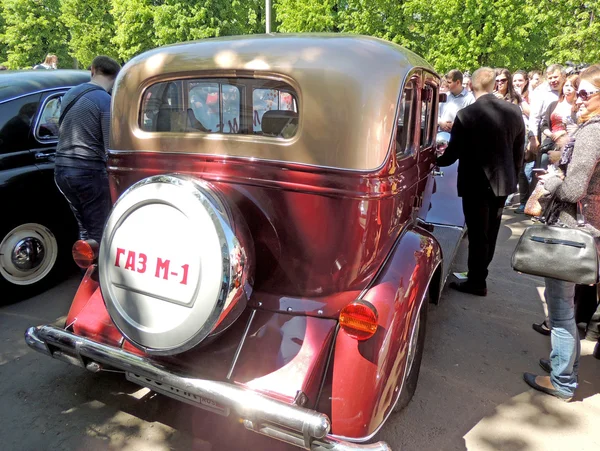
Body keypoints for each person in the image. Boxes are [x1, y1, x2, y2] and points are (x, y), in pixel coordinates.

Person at [523, 64, 600, 401]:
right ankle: (561, 364)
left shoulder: (592, 132)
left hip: (572, 231)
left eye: (586, 93)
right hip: (586, 229)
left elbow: (572, 190)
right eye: (577, 91)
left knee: (560, 308)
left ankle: (563, 379)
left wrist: (551, 179)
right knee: (564, 306)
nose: (577, 99)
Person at [437, 67, 525, 296]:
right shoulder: (514, 112)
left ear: (470, 86)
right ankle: (479, 274)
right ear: (494, 85)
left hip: (475, 182)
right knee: (491, 231)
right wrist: (513, 178)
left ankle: (477, 280)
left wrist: (433, 160)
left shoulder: (467, 115)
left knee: (477, 233)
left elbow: (452, 153)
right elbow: (518, 152)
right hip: (502, 182)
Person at [54, 56, 121, 243]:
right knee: (99, 228)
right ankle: (98, 269)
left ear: (93, 70)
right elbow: (110, 146)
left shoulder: (69, 94)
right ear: (116, 78)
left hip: (61, 169)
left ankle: (84, 265)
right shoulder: (105, 101)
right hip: (88, 170)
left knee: (83, 226)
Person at [528, 64, 566, 160]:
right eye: (550, 78)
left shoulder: (570, 88)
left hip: (567, 133)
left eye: (555, 77)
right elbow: (534, 116)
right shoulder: (541, 91)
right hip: (546, 133)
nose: (553, 80)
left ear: (563, 76)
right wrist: (533, 138)